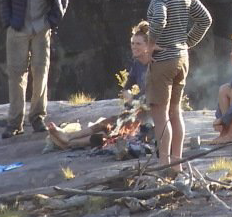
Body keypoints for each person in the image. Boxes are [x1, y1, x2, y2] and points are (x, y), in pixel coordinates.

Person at [0, 0, 70, 138]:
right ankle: (14, 122)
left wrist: (52, 22)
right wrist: (8, 22)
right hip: (18, 27)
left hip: (42, 28)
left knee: (41, 72)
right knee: (16, 74)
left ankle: (37, 116)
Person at [145, 0, 211, 170]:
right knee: (175, 111)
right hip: (182, 58)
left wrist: (151, 44)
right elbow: (205, 19)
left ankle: (164, 164)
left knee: (160, 113)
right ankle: (177, 164)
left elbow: (160, 18)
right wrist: (187, 42)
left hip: (163, 59)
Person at [47, 23, 156, 153]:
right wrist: (127, 94)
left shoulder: (155, 65)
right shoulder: (137, 64)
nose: (134, 47)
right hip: (139, 109)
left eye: (138, 44)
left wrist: (135, 102)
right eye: (132, 43)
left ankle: (69, 143)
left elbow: (154, 95)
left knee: (115, 132)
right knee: (109, 122)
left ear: (147, 46)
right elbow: (127, 86)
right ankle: (69, 136)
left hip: (153, 115)